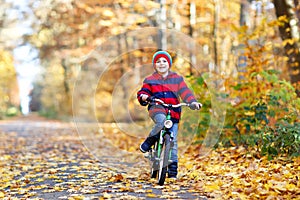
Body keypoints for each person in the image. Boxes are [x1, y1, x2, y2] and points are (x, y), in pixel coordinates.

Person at [137, 50, 202, 179]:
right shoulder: (150, 80)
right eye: (158, 61)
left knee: (173, 141)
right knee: (161, 123)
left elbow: (185, 92)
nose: (161, 64)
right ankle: (149, 142)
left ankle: (172, 172)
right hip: (157, 108)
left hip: (173, 111)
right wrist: (144, 96)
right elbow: (143, 91)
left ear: (169, 64)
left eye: (164, 61)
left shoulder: (177, 79)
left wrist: (193, 102)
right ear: (155, 65)